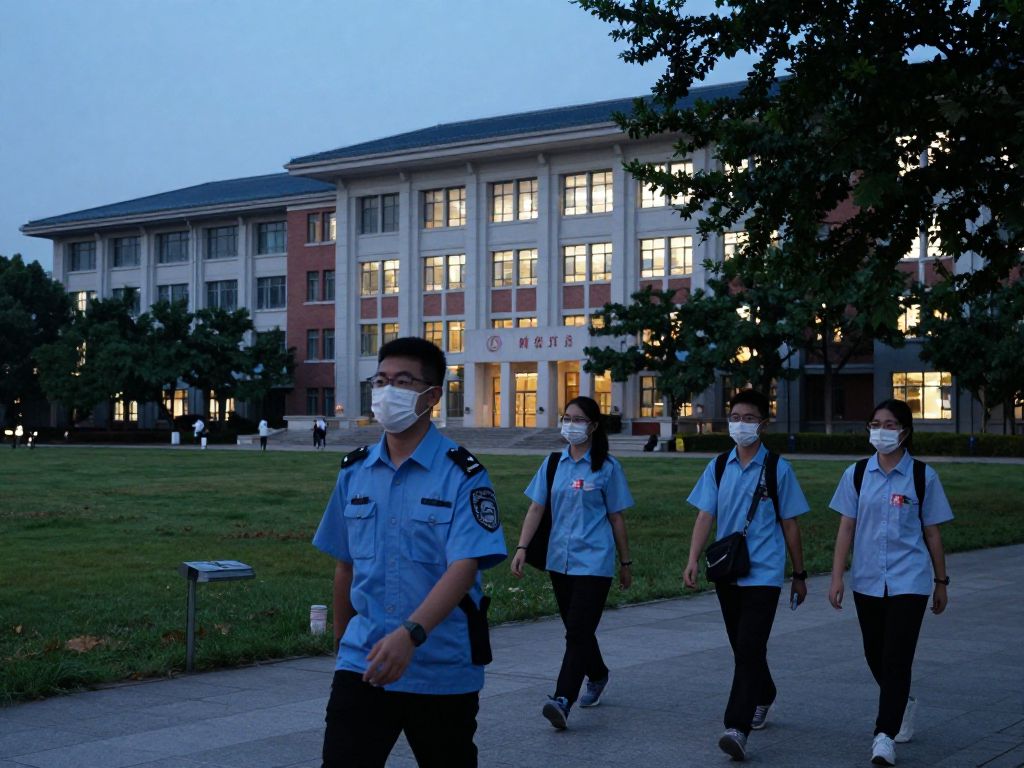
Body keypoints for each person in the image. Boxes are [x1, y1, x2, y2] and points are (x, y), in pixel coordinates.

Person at [312, 337, 507, 768]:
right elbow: (345, 565)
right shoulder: (355, 471)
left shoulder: (464, 475)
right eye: (381, 381)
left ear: (432, 396)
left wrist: (410, 634)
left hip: (440, 667)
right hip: (363, 663)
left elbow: (464, 566)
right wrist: (343, 646)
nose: (387, 391)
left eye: (402, 382)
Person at [683, 389, 809, 762]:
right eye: (735, 417)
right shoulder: (719, 466)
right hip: (727, 571)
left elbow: (791, 526)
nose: (741, 424)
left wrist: (799, 573)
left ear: (763, 424)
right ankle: (765, 693)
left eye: (749, 418)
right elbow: (705, 515)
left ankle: (736, 727)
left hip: (764, 574)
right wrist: (692, 559)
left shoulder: (778, 469)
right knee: (744, 648)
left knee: (749, 649)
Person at [828, 398, 953, 767]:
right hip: (867, 578)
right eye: (875, 424)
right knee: (875, 654)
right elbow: (846, 528)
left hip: (909, 581)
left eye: (889, 425)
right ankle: (902, 702)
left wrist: (941, 581)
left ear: (905, 432)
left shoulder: (923, 477)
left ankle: (883, 736)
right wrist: (836, 576)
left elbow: (932, 534)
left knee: (897, 657)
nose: (881, 431)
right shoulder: (856, 474)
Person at [510, 396, 634, 730]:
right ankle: (598, 673)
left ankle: (562, 699)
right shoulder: (553, 464)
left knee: (577, 631)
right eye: (567, 418)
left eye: (578, 419)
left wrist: (625, 563)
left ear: (593, 426)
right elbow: (536, 508)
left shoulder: (607, 467)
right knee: (577, 629)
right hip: (559, 560)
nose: (571, 425)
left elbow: (617, 518)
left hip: (594, 561)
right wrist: (522, 547)